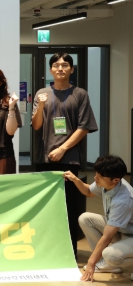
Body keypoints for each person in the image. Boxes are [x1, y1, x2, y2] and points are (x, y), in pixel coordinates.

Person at [32, 52, 98, 255]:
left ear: (72, 69)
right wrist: (40, 105)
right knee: (45, 206)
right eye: (56, 65)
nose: (60, 68)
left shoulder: (80, 94)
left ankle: (68, 252)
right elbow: (36, 125)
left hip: (69, 159)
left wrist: (62, 149)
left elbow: (84, 127)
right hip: (44, 158)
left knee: (68, 205)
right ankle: (44, 250)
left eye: (65, 65)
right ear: (50, 70)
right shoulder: (42, 93)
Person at [63, 155, 133, 281]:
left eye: (100, 176)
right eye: (96, 173)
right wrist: (75, 179)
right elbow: (89, 192)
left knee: (110, 255)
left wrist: (91, 262)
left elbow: (107, 236)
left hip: (130, 235)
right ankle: (107, 265)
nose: (95, 178)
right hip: (122, 230)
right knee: (85, 218)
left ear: (116, 180)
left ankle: (108, 261)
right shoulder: (108, 182)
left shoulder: (122, 200)